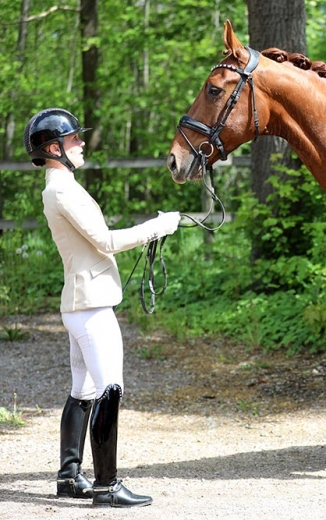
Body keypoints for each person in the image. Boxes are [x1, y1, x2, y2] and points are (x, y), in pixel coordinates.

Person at [24, 107, 181, 508]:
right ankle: (106, 485)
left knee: (84, 390)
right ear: (55, 147)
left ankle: (68, 476)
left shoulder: (61, 186)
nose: (81, 144)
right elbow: (105, 241)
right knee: (111, 388)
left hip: (83, 302)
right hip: (91, 306)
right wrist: (157, 227)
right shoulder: (61, 190)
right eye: (74, 139)